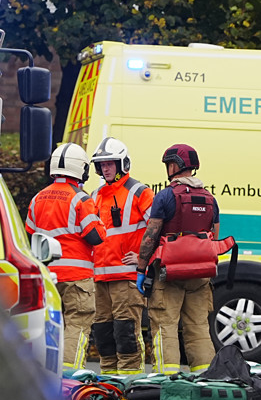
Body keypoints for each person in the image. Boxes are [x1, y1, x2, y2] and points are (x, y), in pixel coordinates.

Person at [136, 143, 221, 375]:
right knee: (199, 327)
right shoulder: (210, 199)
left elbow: (150, 236)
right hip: (200, 275)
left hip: (168, 273)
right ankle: (205, 378)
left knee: (165, 326)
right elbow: (215, 236)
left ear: (174, 165)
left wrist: (141, 269)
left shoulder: (165, 196)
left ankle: (167, 379)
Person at [25, 142, 105, 370]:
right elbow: (95, 236)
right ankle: (70, 374)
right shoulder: (81, 199)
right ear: (81, 169)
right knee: (77, 325)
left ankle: (44, 372)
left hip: (46, 276)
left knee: (47, 326)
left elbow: (29, 234)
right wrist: (101, 224)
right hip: (76, 278)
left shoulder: (37, 198)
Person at [89, 137, 154, 376]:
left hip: (126, 278)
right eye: (102, 164)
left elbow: (158, 230)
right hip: (100, 279)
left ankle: (130, 384)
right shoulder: (95, 195)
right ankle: (108, 384)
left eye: (110, 163)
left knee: (126, 335)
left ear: (122, 164)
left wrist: (142, 258)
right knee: (104, 337)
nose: (105, 168)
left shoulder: (140, 192)